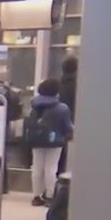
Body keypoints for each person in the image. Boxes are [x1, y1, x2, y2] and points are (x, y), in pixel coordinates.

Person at [25, 78, 73, 207]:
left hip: (36, 139)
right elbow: (67, 127)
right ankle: (49, 196)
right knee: (51, 167)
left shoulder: (34, 106)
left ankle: (36, 196)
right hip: (55, 141)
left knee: (37, 167)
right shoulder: (62, 108)